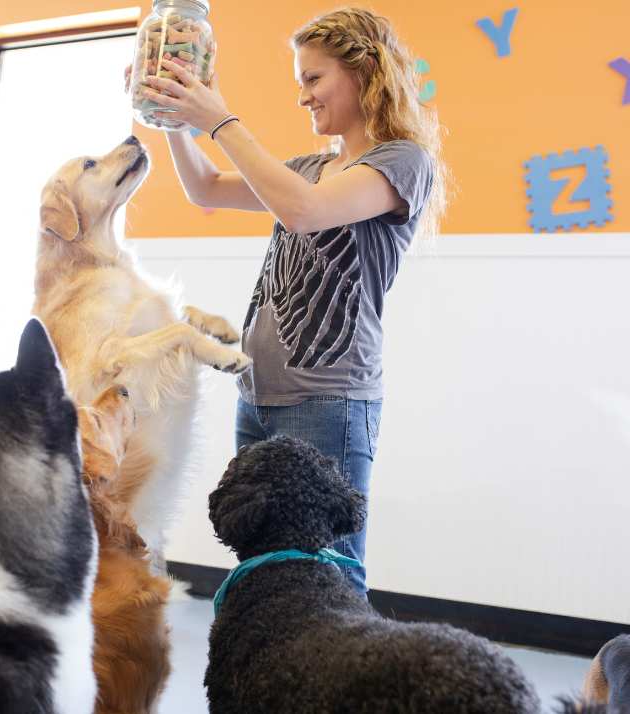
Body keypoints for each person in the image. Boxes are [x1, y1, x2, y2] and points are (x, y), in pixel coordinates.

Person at [135, 7, 447, 596]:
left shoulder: (402, 161)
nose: (303, 96)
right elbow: (204, 187)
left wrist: (219, 118)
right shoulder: (310, 167)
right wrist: (173, 112)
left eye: (314, 79)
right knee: (263, 574)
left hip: (327, 402)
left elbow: (305, 211)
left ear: (364, 75)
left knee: (326, 582)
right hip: (259, 393)